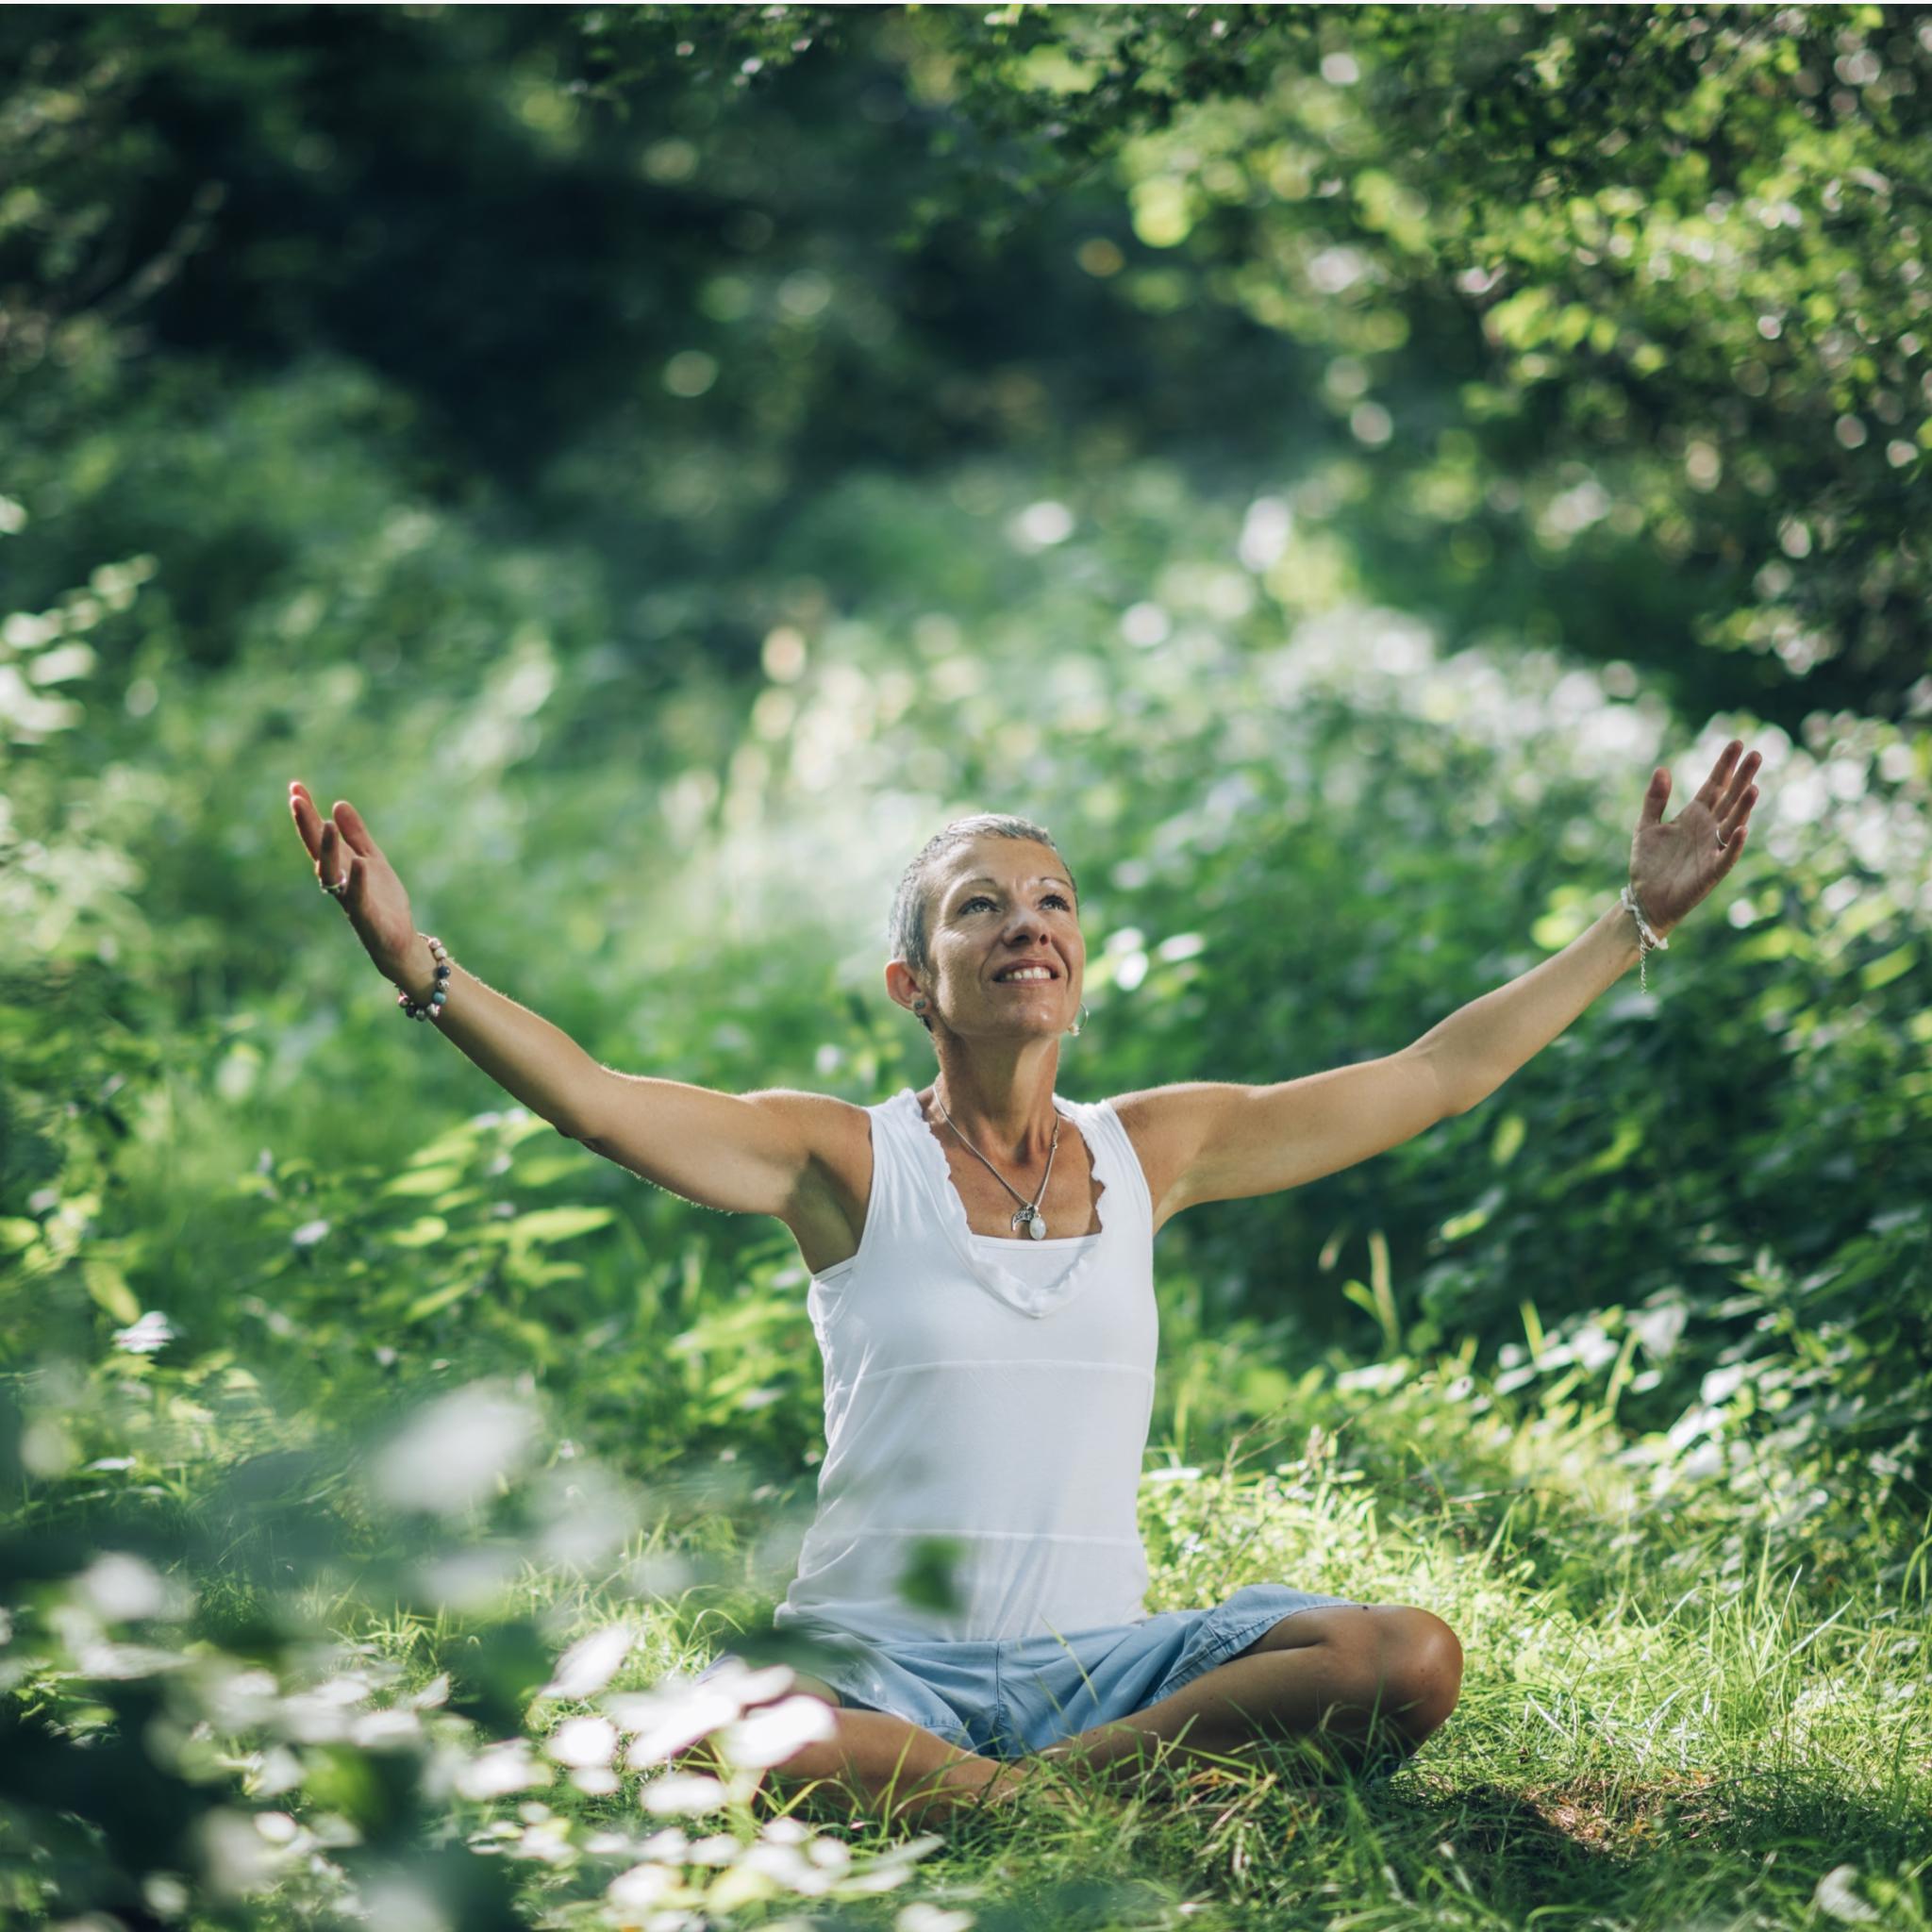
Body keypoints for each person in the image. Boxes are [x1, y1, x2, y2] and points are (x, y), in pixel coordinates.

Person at [287, 739, 1762, 1823]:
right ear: (914, 984)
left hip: (1100, 1674)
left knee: (1403, 1656)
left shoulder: (1156, 1149)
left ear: (1079, 963)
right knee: (709, 1734)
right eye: (980, 907)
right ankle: (1030, 1803)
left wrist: (1632, 924)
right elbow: (599, 1098)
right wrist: (420, 964)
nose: (1026, 925)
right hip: (877, 1672)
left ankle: (1009, 1798)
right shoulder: (841, 1162)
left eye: (1050, 902)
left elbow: (1436, 1075)